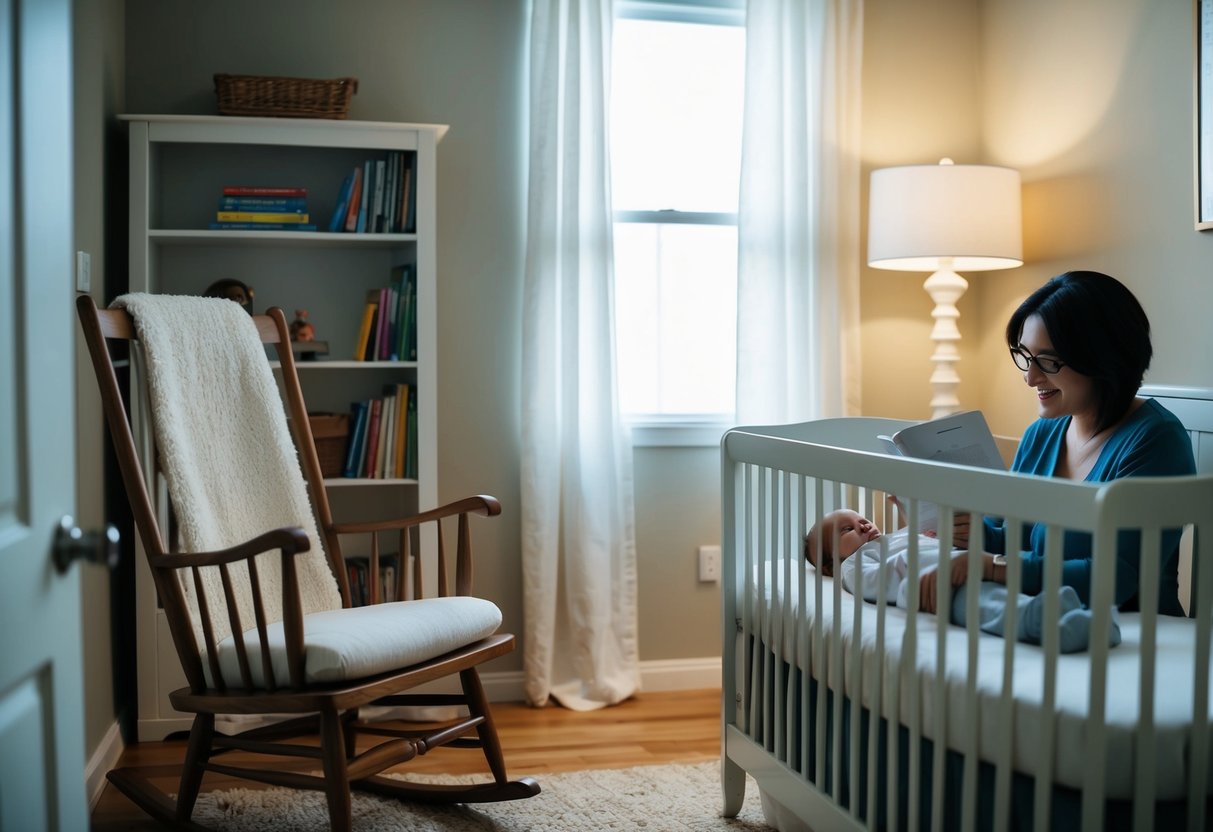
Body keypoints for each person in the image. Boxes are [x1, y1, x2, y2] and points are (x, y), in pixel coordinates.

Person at [931, 271, 1196, 616]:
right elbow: (1013, 542)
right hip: (1048, 619)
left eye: (1049, 361)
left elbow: (1118, 577)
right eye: (1026, 356)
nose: (1030, 377)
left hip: (1133, 636)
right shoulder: (1040, 435)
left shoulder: (1157, 441)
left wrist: (992, 566)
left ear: (1102, 356)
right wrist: (959, 527)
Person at [804, 509, 1117, 652]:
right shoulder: (853, 565)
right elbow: (875, 583)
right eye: (846, 530)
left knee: (999, 593)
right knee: (991, 607)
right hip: (940, 590)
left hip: (966, 568)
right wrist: (913, 565)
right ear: (830, 567)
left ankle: (1064, 609)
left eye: (860, 518)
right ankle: (1044, 619)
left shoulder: (899, 536)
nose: (861, 524)